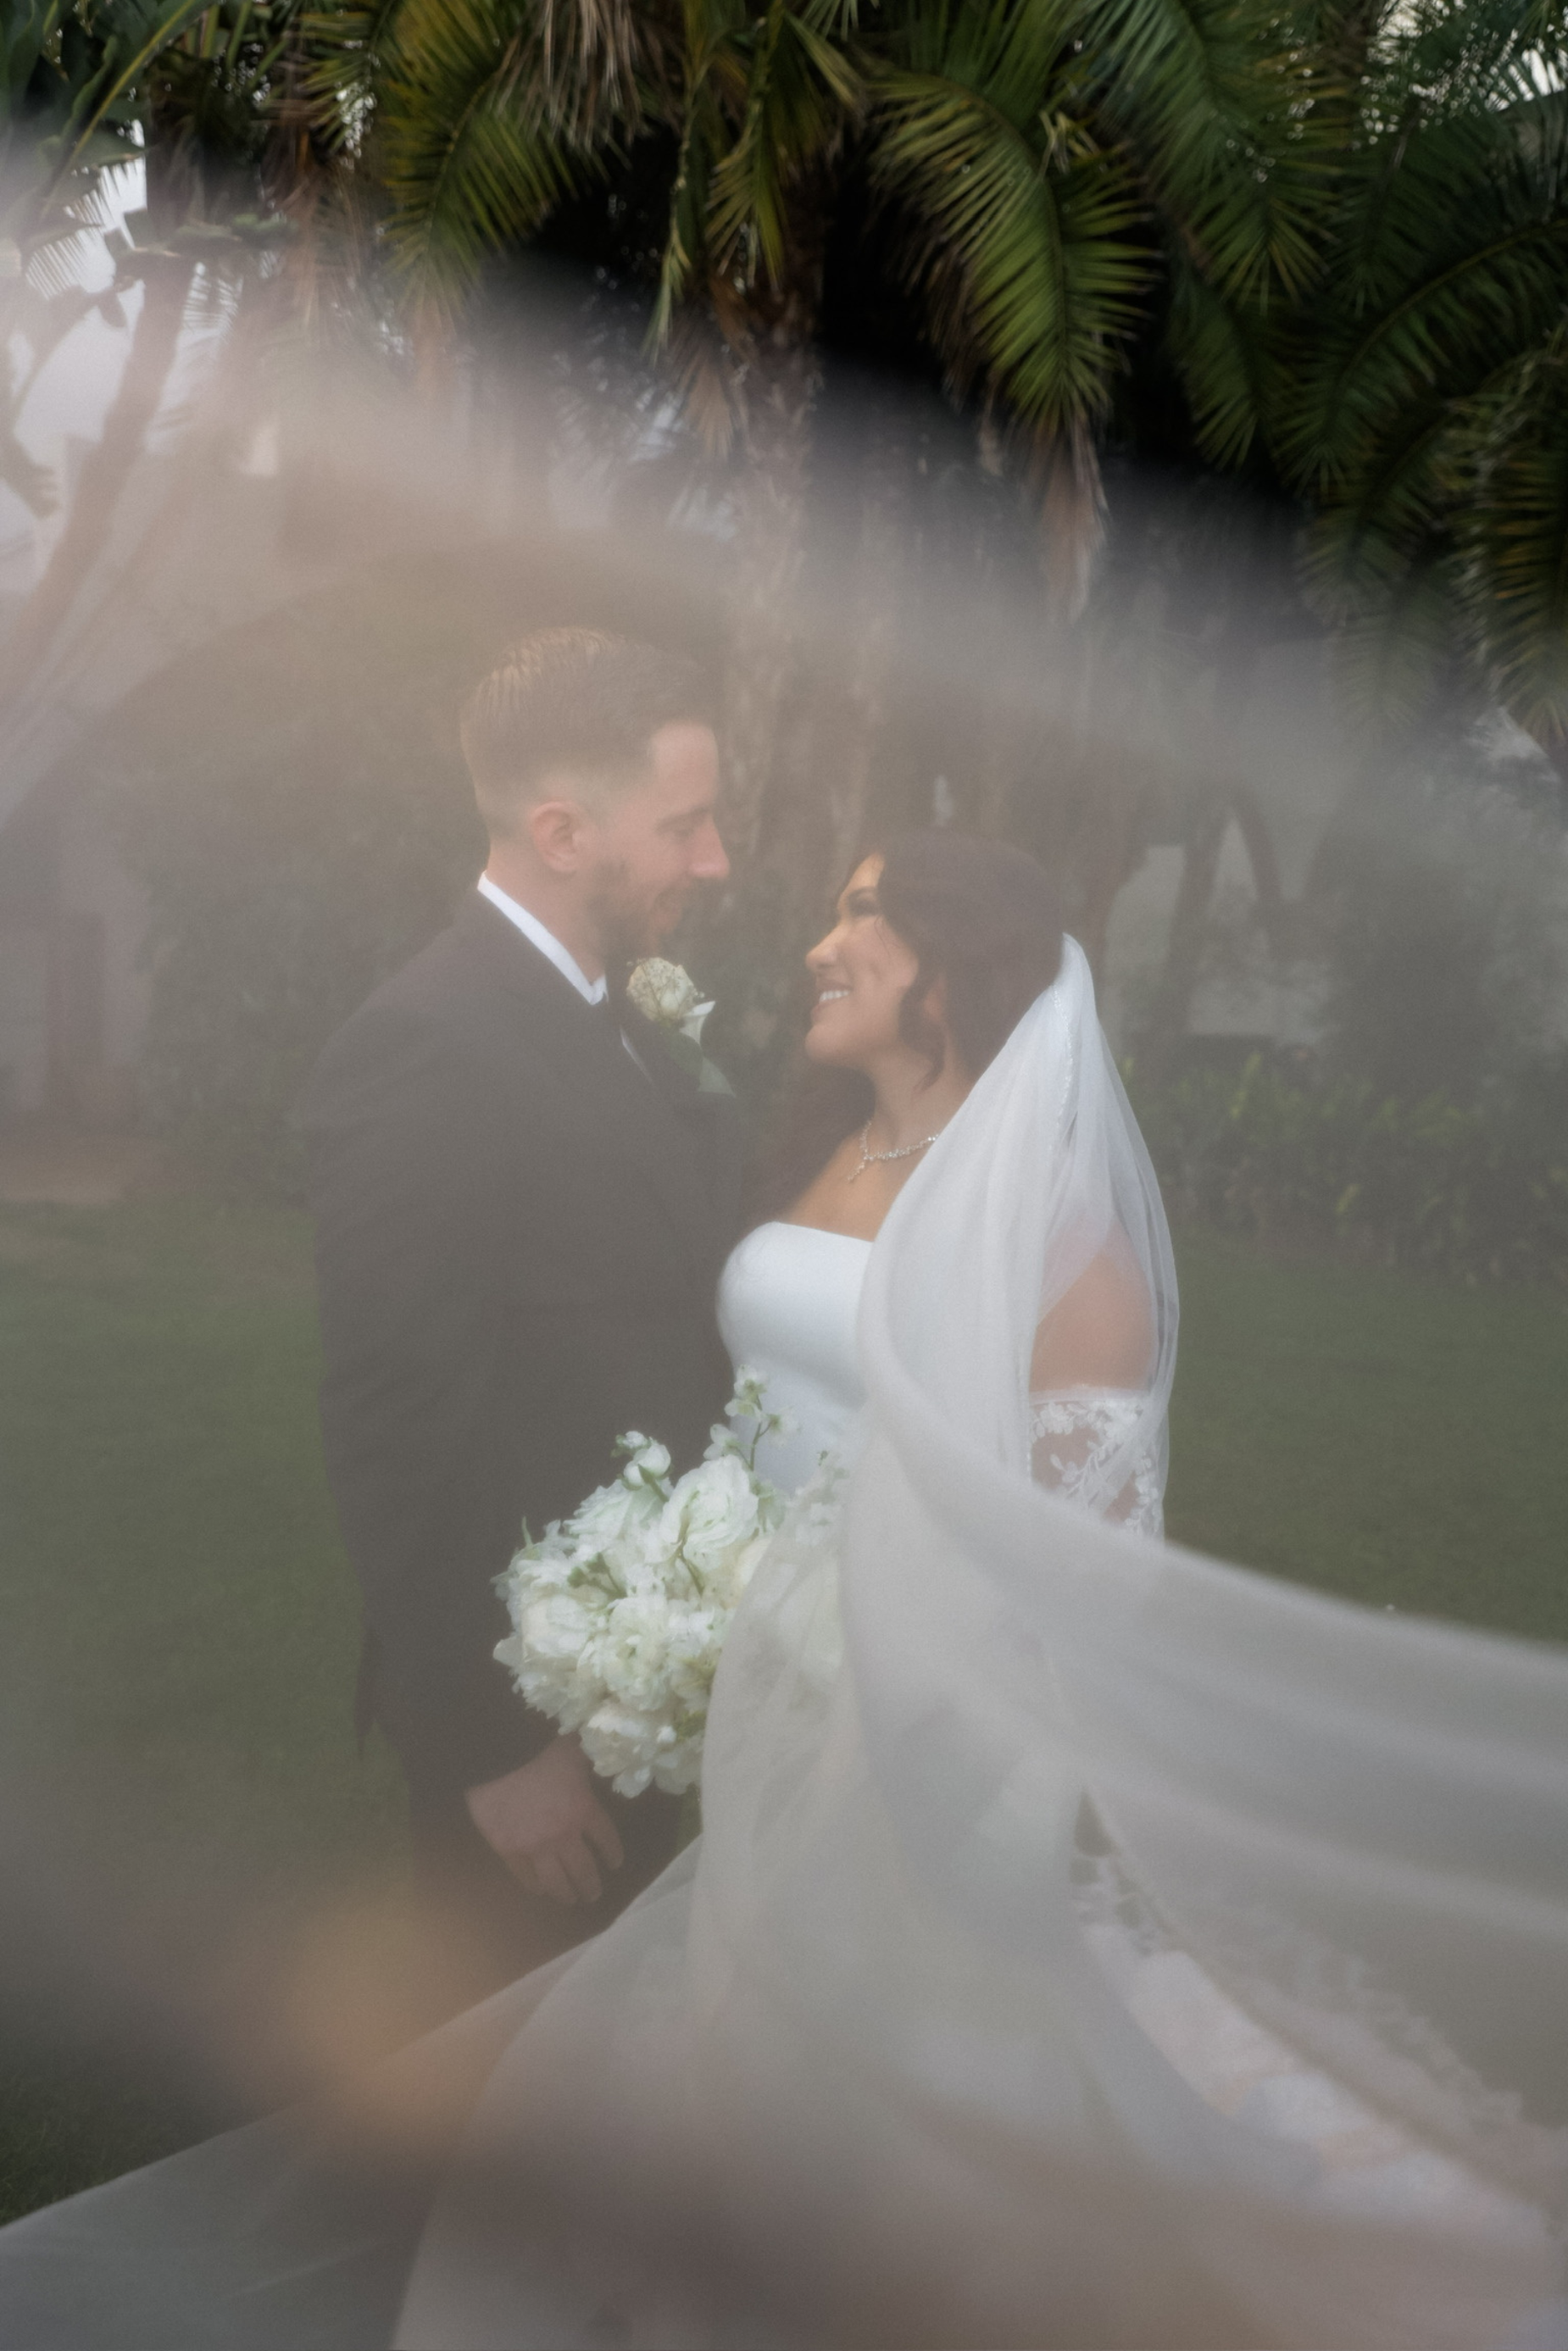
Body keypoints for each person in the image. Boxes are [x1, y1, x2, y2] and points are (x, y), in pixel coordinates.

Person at [1, 835, 1565, 2350]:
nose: (822, 939)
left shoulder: (1061, 1237)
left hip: (910, 1709)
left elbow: (1093, 1549)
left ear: (952, 967)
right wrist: (673, 1598)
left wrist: (930, 1710)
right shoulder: (818, 1147)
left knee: (887, 2067)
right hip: (750, 1674)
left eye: (863, 910)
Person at [295, 628, 739, 2003]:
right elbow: (395, 1420)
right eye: (687, 824)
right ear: (560, 830)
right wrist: (490, 1750)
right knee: (504, 2115)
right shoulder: (429, 1044)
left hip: (633, 1693)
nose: (714, 860)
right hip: (530, 1727)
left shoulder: (612, 1018)